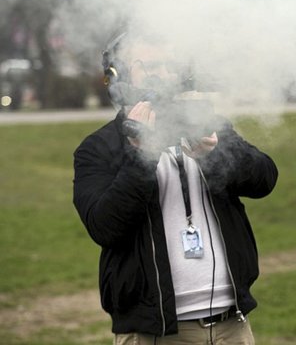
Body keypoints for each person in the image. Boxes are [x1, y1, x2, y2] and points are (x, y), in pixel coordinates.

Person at [73, 33, 278, 344]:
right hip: (154, 332)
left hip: (231, 326)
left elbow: (265, 179)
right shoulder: (98, 148)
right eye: (152, 65)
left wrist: (218, 153)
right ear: (118, 75)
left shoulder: (207, 124)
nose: (164, 74)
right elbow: (105, 226)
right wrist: (142, 156)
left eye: (170, 65)